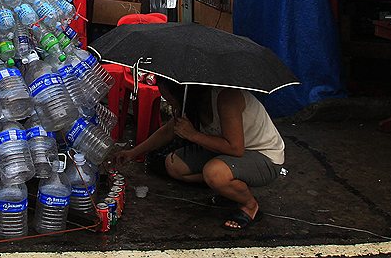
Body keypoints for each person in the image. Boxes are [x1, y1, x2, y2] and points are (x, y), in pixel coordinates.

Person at [112, 79, 284, 230]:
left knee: (214, 173)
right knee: (174, 165)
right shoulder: (191, 103)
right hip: (229, 153)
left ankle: (249, 205)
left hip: (263, 157)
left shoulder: (226, 99)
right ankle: (228, 187)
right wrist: (133, 153)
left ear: (181, 92)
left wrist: (193, 135)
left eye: (169, 98)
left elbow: (235, 148)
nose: (170, 104)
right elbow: (168, 131)